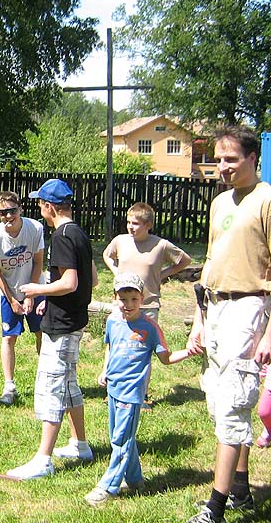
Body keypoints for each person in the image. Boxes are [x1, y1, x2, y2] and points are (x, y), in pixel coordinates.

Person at [187, 125, 271, 523]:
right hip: (216, 308)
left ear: (253, 158)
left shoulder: (266, 199)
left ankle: (215, 509)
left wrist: (269, 333)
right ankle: (240, 491)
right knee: (221, 401)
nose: (223, 167)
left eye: (231, 159)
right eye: (219, 159)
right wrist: (199, 320)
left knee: (234, 405)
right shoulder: (220, 202)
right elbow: (210, 262)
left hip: (248, 307)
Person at [5, 178, 97, 480]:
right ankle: (80, 445)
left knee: (52, 388)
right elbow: (92, 279)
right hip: (73, 320)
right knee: (69, 384)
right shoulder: (79, 233)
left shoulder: (61, 236)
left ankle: (43, 460)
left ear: (49, 206)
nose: (39, 209)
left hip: (62, 326)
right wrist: (51, 299)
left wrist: (37, 290)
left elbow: (69, 282)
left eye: (40, 204)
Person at [84, 272, 190, 507]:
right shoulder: (113, 321)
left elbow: (166, 358)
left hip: (132, 393)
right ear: (115, 298)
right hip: (113, 388)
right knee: (120, 436)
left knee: (120, 440)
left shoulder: (150, 327)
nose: (128, 304)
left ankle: (107, 487)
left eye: (134, 299)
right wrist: (105, 370)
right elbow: (110, 347)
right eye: (123, 299)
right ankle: (134, 480)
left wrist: (189, 351)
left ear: (142, 298)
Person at [103, 202, 192, 409]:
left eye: (135, 223)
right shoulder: (121, 241)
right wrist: (117, 272)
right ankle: (114, 390)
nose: (130, 227)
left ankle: (141, 394)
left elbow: (184, 260)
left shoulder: (160, 245)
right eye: (128, 222)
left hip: (148, 304)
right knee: (117, 347)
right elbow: (107, 255)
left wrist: (162, 274)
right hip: (122, 304)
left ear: (148, 225)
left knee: (142, 351)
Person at [0, 191, 45, 405]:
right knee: (9, 337)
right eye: (3, 213)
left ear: (21, 209)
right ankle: (9, 386)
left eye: (12, 211)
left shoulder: (34, 228)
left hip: (36, 287)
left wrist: (31, 294)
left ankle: (46, 380)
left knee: (42, 333)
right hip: (9, 291)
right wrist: (12, 300)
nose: (9, 216)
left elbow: (38, 262)